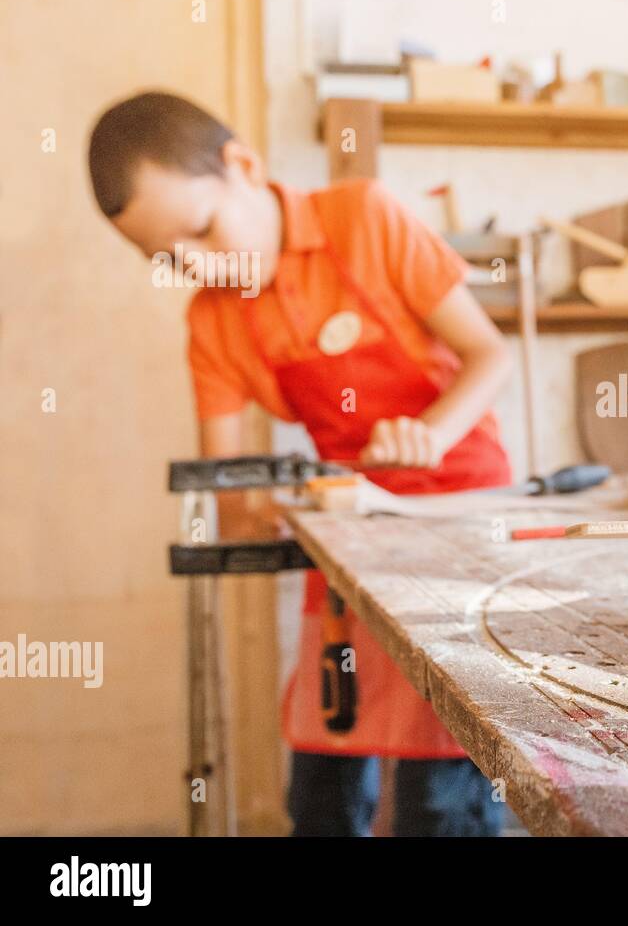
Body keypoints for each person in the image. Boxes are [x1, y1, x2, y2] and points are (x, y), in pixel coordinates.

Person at [88, 91, 513, 836]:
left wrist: (429, 436)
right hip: (347, 537)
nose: (194, 266)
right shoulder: (212, 323)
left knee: (437, 800)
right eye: (165, 258)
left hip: (457, 517)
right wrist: (285, 507)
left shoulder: (364, 218)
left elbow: (489, 354)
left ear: (244, 166)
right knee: (320, 786)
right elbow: (227, 492)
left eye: (201, 231)